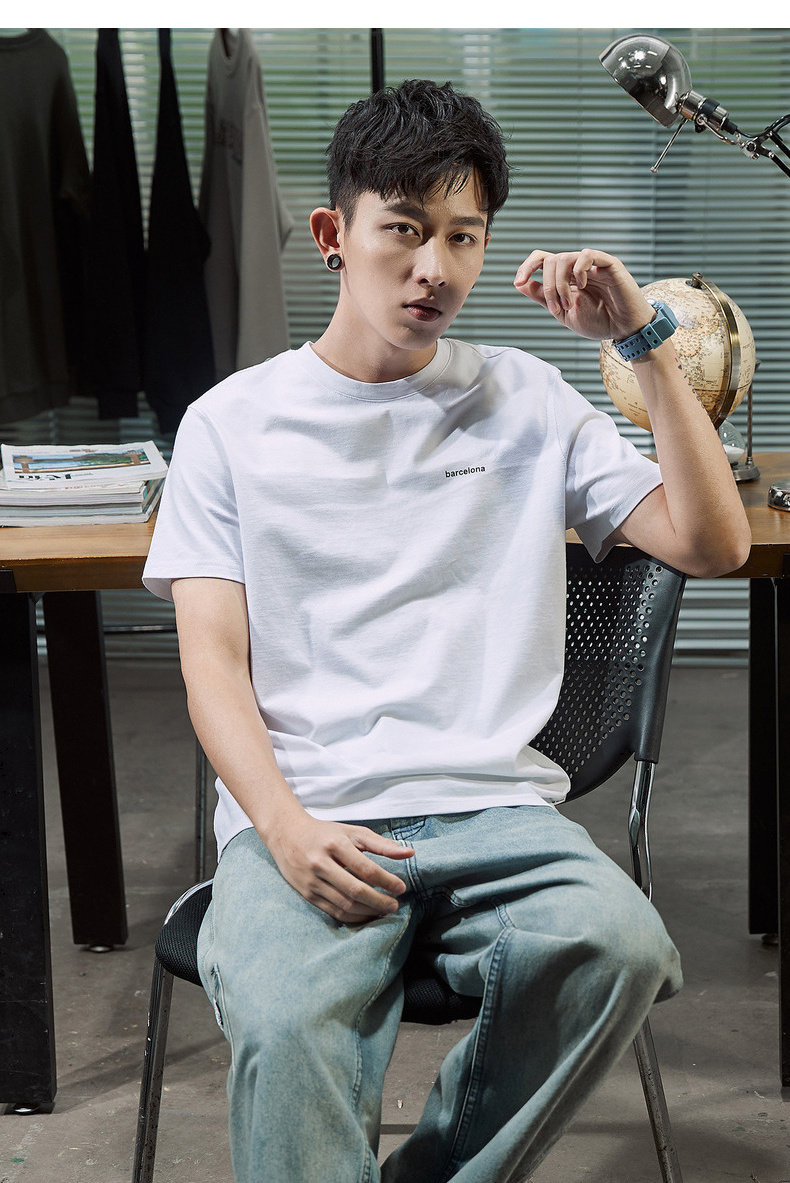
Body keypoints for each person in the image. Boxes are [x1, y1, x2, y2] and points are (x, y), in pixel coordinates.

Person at [142, 79, 751, 1183]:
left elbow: (713, 545)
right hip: (311, 809)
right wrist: (281, 825)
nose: (436, 267)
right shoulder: (231, 424)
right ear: (333, 235)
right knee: (286, 1024)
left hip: (491, 810)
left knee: (618, 947)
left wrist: (643, 341)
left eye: (464, 236)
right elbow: (212, 664)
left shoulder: (528, 397)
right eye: (405, 230)